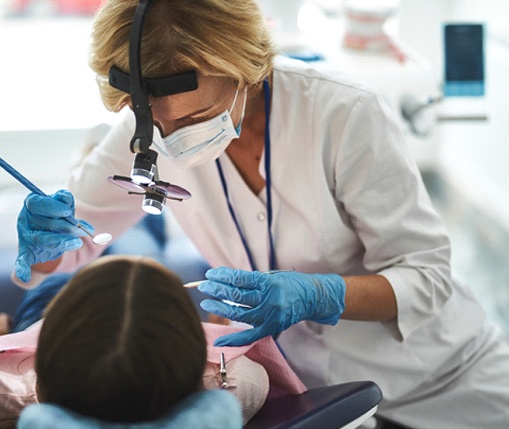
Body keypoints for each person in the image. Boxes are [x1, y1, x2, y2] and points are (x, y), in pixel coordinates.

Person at [10, 0, 509, 427]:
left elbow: (427, 277)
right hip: (313, 397)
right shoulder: (148, 130)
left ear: (243, 68)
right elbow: (74, 243)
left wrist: (322, 293)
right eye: (155, 121)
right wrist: (45, 244)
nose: (170, 136)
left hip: (447, 383)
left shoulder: (342, 114)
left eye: (194, 118)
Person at [1, 256, 306, 427]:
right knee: (132, 250)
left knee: (56, 282)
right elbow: (237, 373)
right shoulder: (241, 385)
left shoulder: (12, 396)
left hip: (34, 328)